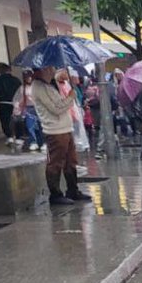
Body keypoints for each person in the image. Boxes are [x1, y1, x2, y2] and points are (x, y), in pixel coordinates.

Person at [31, 65, 90, 204]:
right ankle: (55, 194)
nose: (53, 70)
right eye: (51, 68)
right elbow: (56, 108)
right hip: (54, 131)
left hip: (65, 128)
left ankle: (73, 190)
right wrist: (70, 98)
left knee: (71, 161)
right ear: (43, 69)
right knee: (55, 163)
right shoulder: (39, 87)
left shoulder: (50, 84)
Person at [0, 63, 21, 149]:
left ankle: (9, 136)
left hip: (3, 102)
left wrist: (2, 95)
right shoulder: (16, 80)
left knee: (5, 120)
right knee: (16, 119)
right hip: (14, 102)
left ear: (0, 70)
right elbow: (20, 91)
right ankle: (18, 137)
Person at [12, 70, 42, 151]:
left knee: (39, 126)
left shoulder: (37, 87)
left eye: (29, 76)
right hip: (28, 109)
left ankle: (42, 142)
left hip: (38, 108)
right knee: (30, 126)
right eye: (26, 77)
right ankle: (33, 142)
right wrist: (17, 108)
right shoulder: (22, 88)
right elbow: (17, 99)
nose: (28, 78)